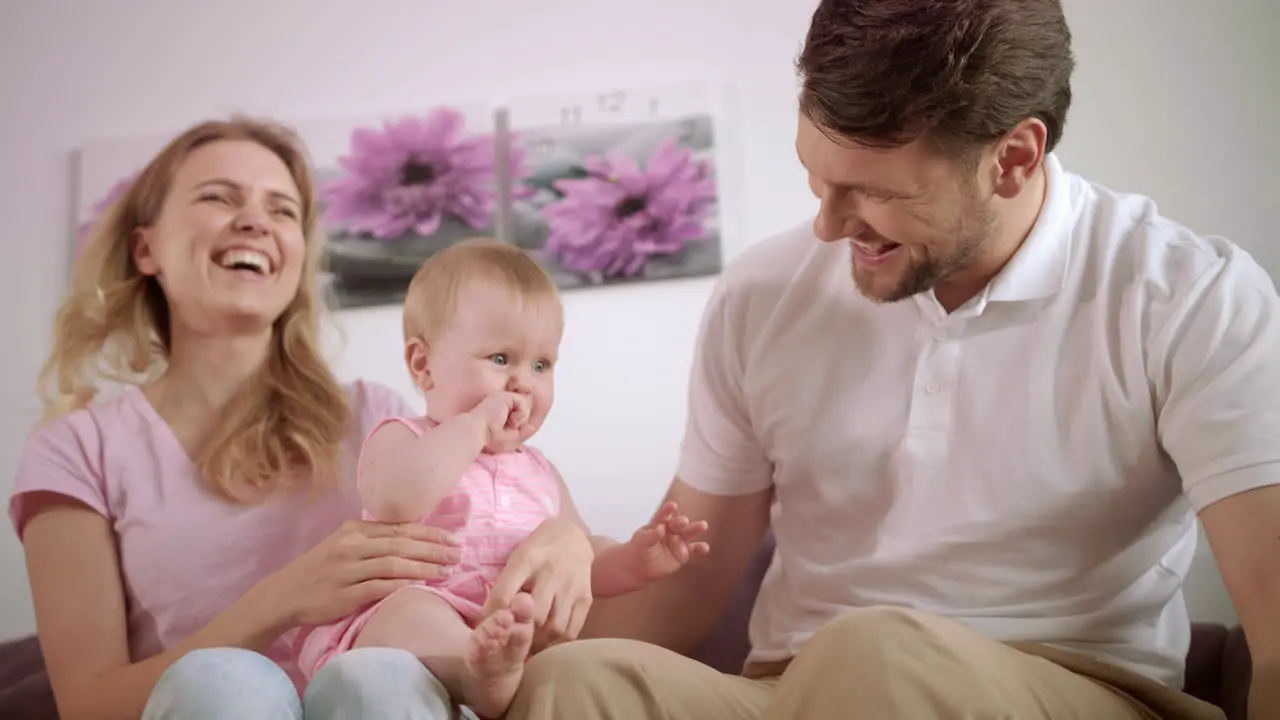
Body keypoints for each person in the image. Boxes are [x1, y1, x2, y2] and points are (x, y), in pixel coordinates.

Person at [503, 1, 1280, 719]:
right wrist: (523, 596)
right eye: (816, 178)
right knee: (575, 684)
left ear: (1013, 156)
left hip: (1074, 686)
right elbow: (689, 582)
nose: (827, 227)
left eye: (872, 193)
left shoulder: (1188, 295)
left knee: (875, 656)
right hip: (795, 689)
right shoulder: (762, 295)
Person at [8, 117, 595, 720]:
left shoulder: (377, 415)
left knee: (378, 680)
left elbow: (501, 533)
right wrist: (281, 601)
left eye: (282, 210)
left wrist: (571, 543)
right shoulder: (75, 451)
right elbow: (87, 705)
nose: (256, 221)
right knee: (218, 686)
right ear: (146, 248)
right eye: (219, 196)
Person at [287, 239, 709, 718]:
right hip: (416, 615)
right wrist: (473, 426)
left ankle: (491, 666)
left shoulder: (540, 473)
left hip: (508, 630)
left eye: (541, 365)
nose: (523, 382)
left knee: (555, 645)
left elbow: (579, 559)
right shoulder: (403, 437)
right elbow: (397, 501)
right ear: (424, 366)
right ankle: (472, 669)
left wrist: (634, 560)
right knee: (408, 612)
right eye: (501, 359)